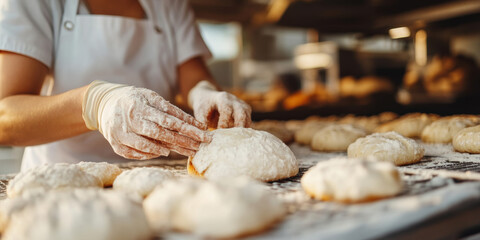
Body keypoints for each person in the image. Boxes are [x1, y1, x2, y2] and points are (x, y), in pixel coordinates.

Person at [0, 0, 251, 171]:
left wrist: (203, 93)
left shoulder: (168, 4)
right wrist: (95, 103)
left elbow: (194, 77)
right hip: (59, 184)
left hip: (157, 178)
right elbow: (5, 115)